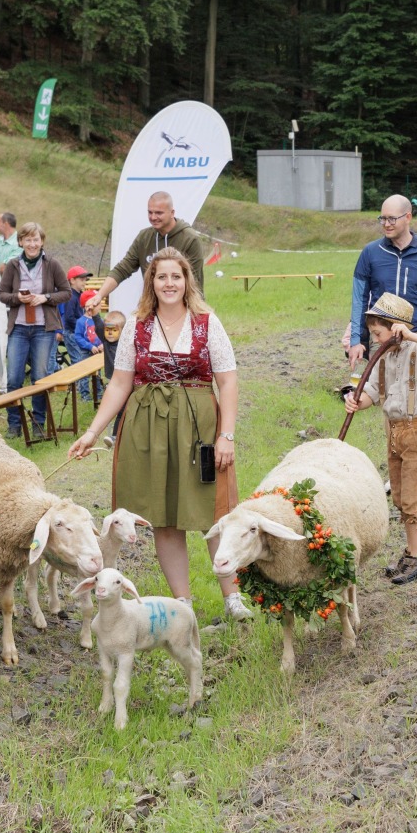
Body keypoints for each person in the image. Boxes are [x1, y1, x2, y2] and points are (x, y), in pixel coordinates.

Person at [68, 248, 250, 619]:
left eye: (176, 276)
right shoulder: (138, 324)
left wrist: (226, 435)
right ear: (151, 282)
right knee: (165, 516)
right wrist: (92, 432)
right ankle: (183, 604)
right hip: (148, 427)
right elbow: (120, 383)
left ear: (187, 281)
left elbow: (227, 380)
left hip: (199, 426)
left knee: (212, 513)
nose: (169, 283)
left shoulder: (206, 321)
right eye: (161, 276)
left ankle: (233, 599)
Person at [342, 294, 417, 585]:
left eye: (378, 332)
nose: (375, 339)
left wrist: (412, 334)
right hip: (393, 431)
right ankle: (412, 551)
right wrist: (357, 402)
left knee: (415, 498)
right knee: (401, 497)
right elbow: (372, 393)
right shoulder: (384, 357)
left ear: (397, 327)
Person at [346, 195, 417, 367]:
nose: (386, 224)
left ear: (408, 217)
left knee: (414, 390)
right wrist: (356, 339)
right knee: (381, 390)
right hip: (381, 335)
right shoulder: (370, 252)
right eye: (383, 219)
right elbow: (359, 300)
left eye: (392, 218)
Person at [0, 222, 75, 438]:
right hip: (19, 329)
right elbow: (2, 294)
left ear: (42, 242)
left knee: (40, 377)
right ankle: (14, 424)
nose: (32, 244)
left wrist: (46, 297)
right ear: (20, 242)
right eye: (28, 240)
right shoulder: (13, 265)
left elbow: (66, 292)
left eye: (36, 239)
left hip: (43, 329)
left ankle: (39, 424)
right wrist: (17, 298)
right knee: (13, 378)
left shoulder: (52, 264)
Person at [104, 192, 207, 292]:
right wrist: (99, 296)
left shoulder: (190, 239)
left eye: (158, 213)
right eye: (150, 212)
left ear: (172, 213)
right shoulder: (144, 237)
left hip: (184, 306)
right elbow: (122, 269)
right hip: (153, 306)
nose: (153, 217)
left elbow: (193, 282)